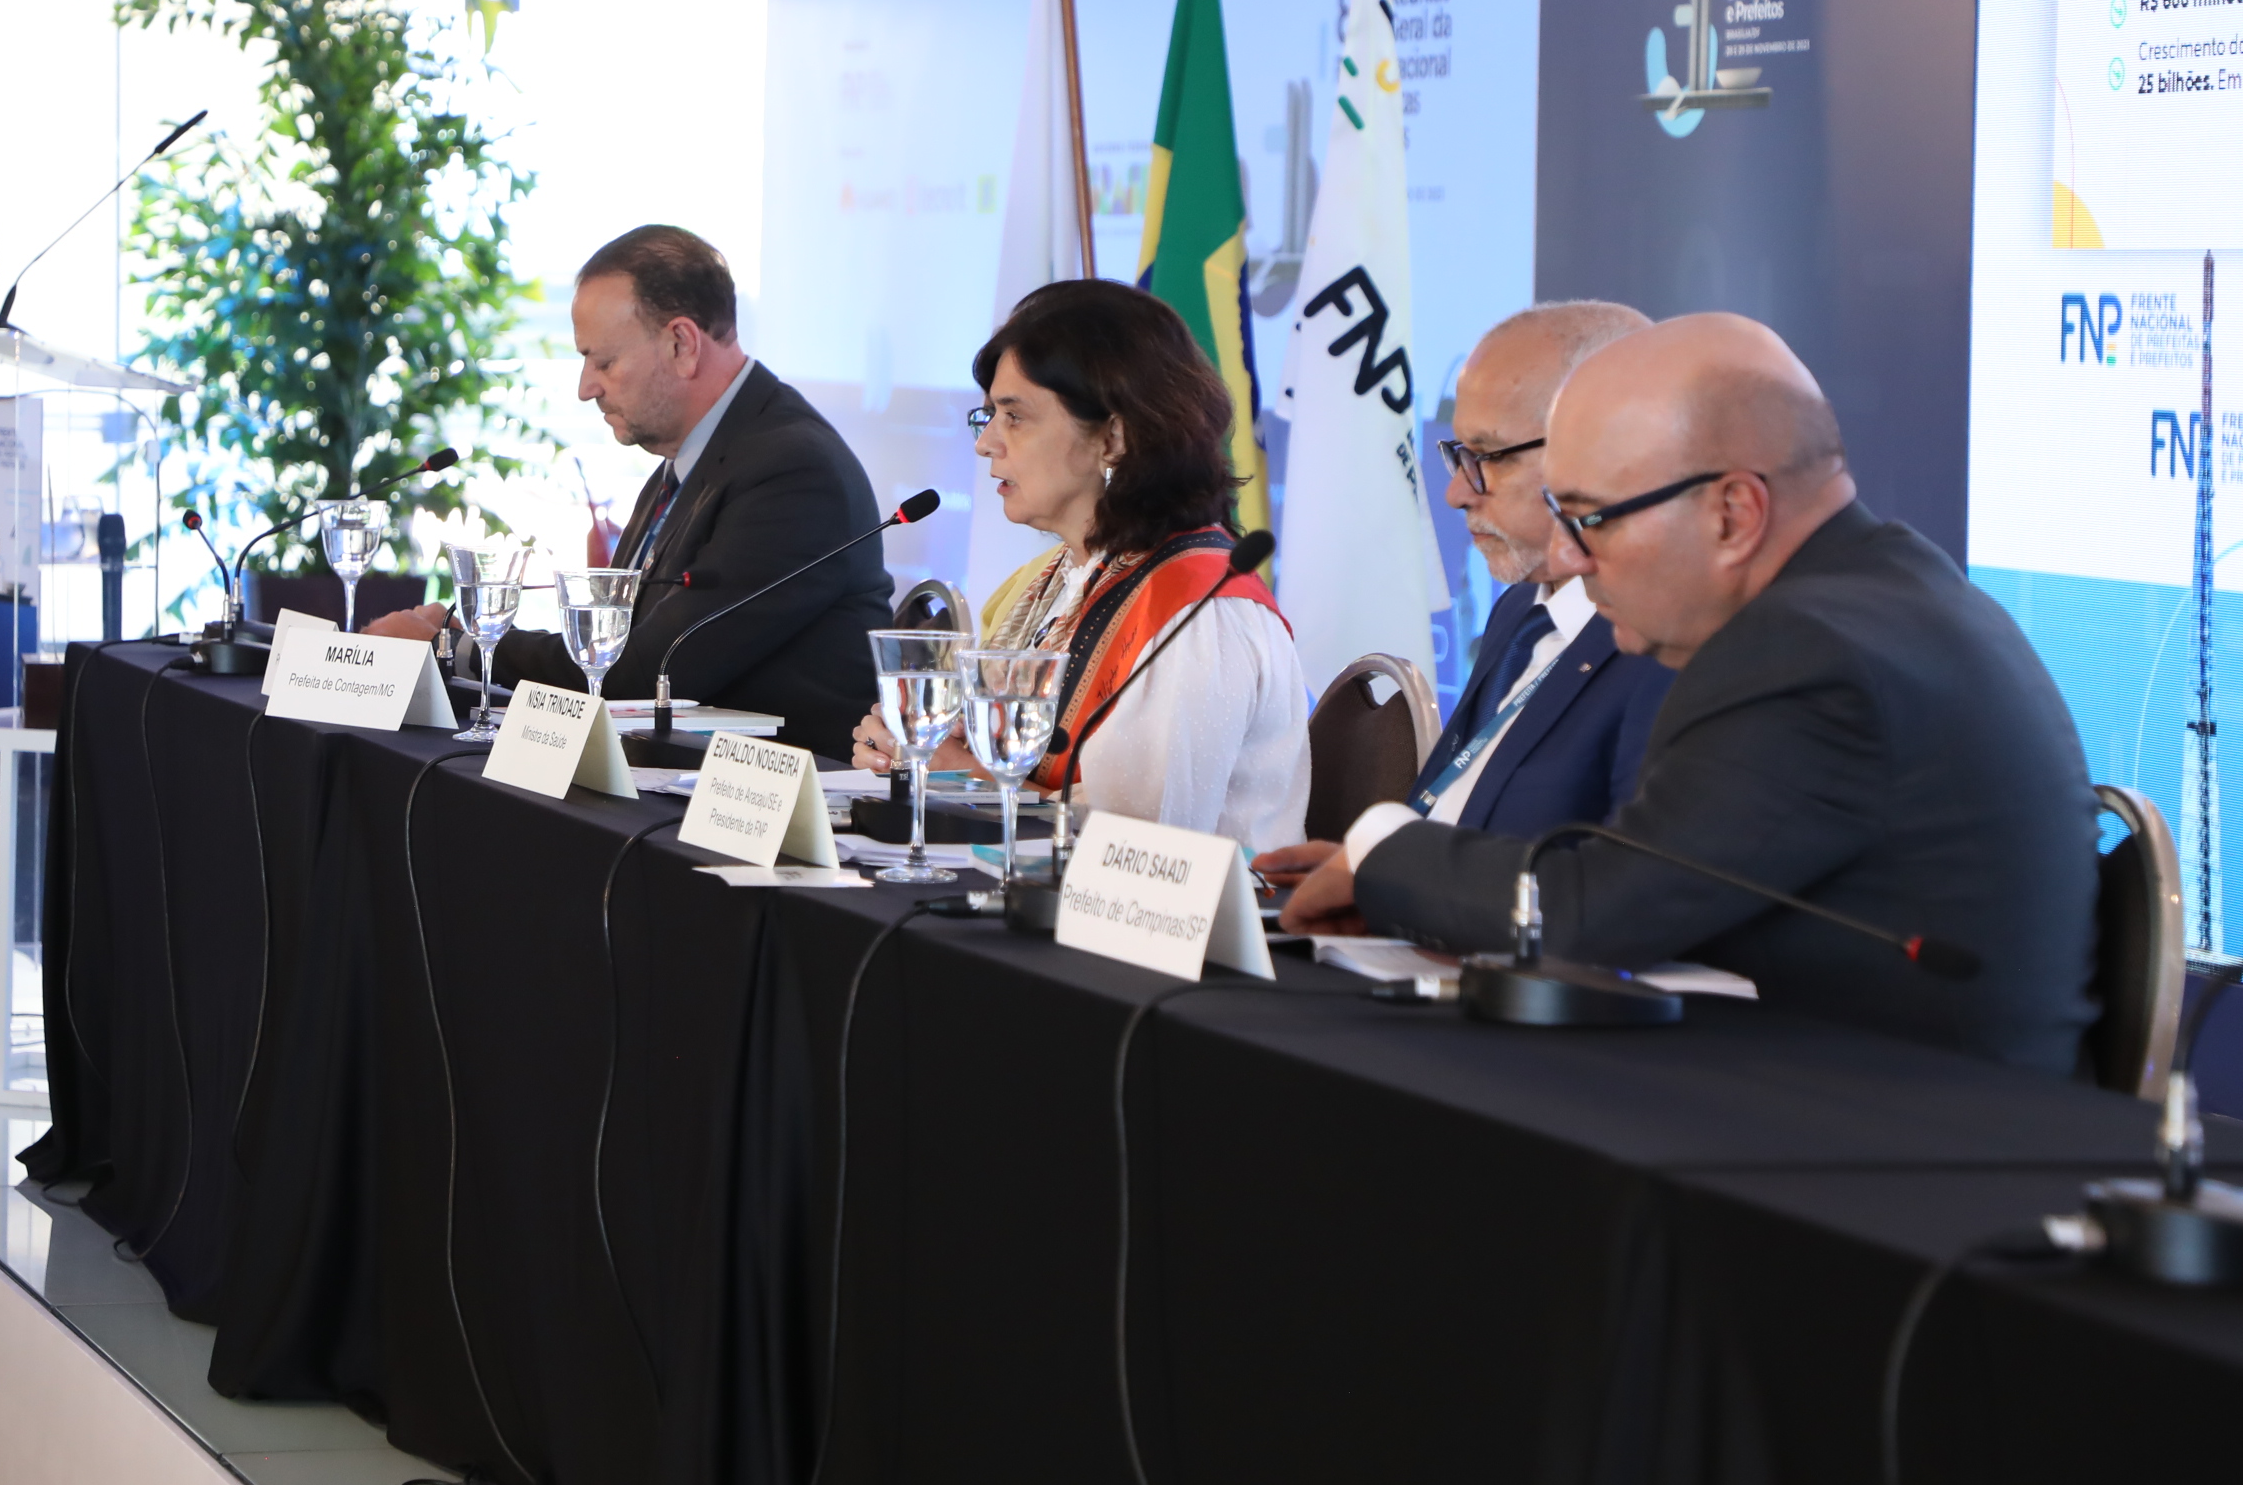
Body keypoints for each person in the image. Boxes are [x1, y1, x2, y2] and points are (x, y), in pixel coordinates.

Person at [1279, 315, 2102, 1075]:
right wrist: (1393, 878)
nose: (1567, 559)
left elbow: (1593, 913)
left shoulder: (1807, 653)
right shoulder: (1882, 587)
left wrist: (1385, 852)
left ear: (1733, 514)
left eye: (1593, 520)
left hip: (1893, 1134)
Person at [368, 225, 893, 758]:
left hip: (774, 800)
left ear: (681, 344)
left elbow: (647, 671)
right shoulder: (687, 462)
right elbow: (614, 652)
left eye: (604, 362)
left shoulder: (794, 472)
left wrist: (460, 646)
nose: (586, 388)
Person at [850, 280, 1309, 849]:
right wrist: (913, 750)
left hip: (1179, 906)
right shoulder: (1062, 578)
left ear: (1113, 437)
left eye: (1014, 416)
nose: (985, 443)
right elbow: (997, 755)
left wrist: (962, 775)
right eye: (988, 415)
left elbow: (1144, 847)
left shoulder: (1198, 610)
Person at [1256, 302, 1671, 893]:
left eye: (1486, 458)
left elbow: (1612, 895)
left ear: (1598, 450)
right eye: (1457, 455)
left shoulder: (1666, 646)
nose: (1455, 493)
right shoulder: (1520, 611)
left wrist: (1403, 891)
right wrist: (1372, 871)